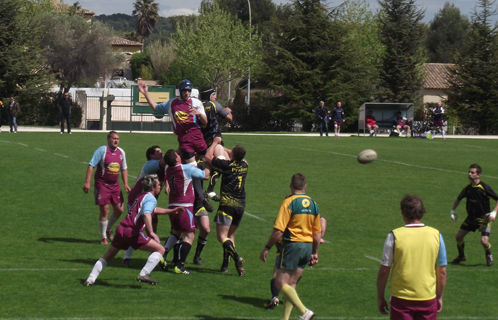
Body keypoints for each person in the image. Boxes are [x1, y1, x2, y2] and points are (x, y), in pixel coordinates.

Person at [83, 175, 183, 286]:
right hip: (132, 231)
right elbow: (146, 214)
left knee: (108, 256)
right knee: (160, 249)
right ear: (152, 188)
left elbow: (153, 210)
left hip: (121, 229)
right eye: (159, 185)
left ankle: (90, 279)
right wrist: (151, 233)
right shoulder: (151, 198)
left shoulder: (141, 196)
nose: (160, 186)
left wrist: (172, 211)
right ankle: (144, 274)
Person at [138, 80, 213, 212]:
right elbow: (155, 107)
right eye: (184, 90)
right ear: (180, 91)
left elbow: (205, 122)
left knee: (211, 159)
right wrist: (145, 93)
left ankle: (210, 187)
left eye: (189, 90)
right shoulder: (172, 103)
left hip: (197, 135)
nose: (187, 93)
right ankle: (201, 197)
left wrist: (199, 114)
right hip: (184, 139)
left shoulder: (196, 102)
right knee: (192, 168)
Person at [260, 173, 321, 320]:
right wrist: (315, 253)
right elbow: (317, 233)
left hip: (292, 246)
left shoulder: (289, 202)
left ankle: (304, 312)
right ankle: (285, 319)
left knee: (280, 282)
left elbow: (279, 230)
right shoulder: (314, 204)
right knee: (291, 284)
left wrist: (267, 247)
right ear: (305, 187)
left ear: (291, 186)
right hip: (307, 248)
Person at [377, 195, 447, 320]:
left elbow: (384, 271)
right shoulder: (437, 235)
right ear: (422, 212)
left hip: (401, 299)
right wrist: (439, 296)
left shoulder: (394, 236)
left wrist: (380, 297)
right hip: (427, 298)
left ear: (402, 212)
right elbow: (442, 271)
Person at [161, 149, 210, 274]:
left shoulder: (168, 169)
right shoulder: (186, 169)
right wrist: (209, 164)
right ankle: (180, 265)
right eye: (178, 155)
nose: (180, 155)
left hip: (172, 206)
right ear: (177, 159)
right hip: (185, 206)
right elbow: (205, 175)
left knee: (176, 232)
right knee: (190, 235)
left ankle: (162, 253)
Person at [204, 142, 248, 275]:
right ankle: (224, 266)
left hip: (227, 204)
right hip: (241, 205)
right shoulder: (245, 164)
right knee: (230, 237)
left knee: (222, 236)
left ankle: (236, 257)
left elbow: (208, 157)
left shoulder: (226, 165)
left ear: (232, 154)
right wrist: (227, 150)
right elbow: (235, 155)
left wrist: (215, 144)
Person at [83, 131, 131, 245]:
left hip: (115, 185)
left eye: (118, 139)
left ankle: (108, 228)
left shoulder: (121, 152)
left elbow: (124, 168)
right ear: (108, 139)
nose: (116, 141)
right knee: (105, 210)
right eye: (114, 138)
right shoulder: (102, 151)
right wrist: (87, 182)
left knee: (119, 210)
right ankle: (103, 237)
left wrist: (125, 184)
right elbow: (91, 165)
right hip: (102, 184)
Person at [122, 145, 166, 268]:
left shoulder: (162, 168)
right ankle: (127, 258)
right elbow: (168, 159)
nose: (161, 153)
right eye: (158, 152)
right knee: (137, 229)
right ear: (151, 156)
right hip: (137, 201)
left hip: (150, 203)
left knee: (151, 228)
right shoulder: (150, 165)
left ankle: (154, 255)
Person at [449, 164, 498, 266]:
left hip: (484, 219)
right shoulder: (467, 189)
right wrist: (452, 210)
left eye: (472, 172)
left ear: (478, 175)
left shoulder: (485, 188)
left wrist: (494, 212)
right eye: (469, 172)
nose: (469, 174)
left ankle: (488, 254)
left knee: (484, 242)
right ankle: (461, 256)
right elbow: (458, 199)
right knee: (458, 237)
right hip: (471, 218)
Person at [199, 87, 233, 202]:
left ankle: (201, 190)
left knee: (227, 165)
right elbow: (229, 118)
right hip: (214, 140)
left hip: (204, 140)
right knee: (222, 161)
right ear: (209, 96)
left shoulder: (198, 106)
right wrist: (227, 110)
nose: (216, 97)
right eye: (214, 94)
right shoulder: (214, 105)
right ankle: (209, 190)